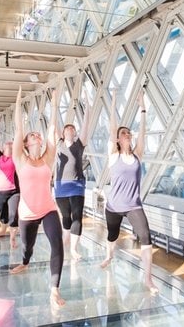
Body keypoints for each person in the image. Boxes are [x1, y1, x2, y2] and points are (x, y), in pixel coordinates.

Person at [10, 84, 66, 307]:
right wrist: (18, 100)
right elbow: (17, 128)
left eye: (37, 134)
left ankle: (54, 290)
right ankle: (25, 262)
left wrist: (53, 106)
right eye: (31, 134)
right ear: (26, 142)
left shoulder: (48, 158)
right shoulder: (19, 158)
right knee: (27, 247)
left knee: (57, 244)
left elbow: (52, 129)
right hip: (27, 212)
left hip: (48, 208)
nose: (35, 134)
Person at [100, 88, 158, 294]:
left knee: (146, 236)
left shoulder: (137, 155)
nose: (128, 134)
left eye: (128, 133)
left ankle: (148, 278)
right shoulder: (113, 155)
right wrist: (114, 100)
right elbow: (112, 126)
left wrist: (143, 108)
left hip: (134, 205)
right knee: (112, 235)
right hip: (114, 207)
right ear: (117, 139)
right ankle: (109, 255)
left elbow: (142, 131)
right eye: (123, 133)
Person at [54, 90, 90, 260]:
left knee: (77, 216)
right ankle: (66, 237)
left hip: (77, 186)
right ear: (63, 133)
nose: (69, 129)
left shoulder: (79, 144)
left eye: (72, 128)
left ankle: (74, 248)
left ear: (74, 133)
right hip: (61, 187)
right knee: (66, 216)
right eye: (67, 127)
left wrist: (88, 106)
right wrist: (54, 104)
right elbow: (53, 124)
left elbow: (86, 126)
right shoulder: (59, 144)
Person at [0, 113, 21, 248]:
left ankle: (13, 237)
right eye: (7, 143)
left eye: (11, 143)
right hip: (0, 191)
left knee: (13, 213)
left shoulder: (16, 157)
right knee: (2, 213)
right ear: (2, 148)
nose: (9, 143)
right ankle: (3, 230)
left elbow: (21, 139)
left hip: (14, 191)